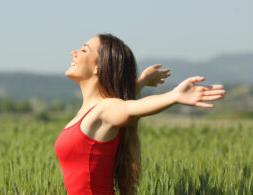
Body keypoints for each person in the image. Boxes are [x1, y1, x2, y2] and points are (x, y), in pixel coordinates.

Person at [54, 33, 225, 195]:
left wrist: (173, 96)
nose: (73, 52)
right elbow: (121, 99)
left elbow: (129, 108)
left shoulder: (104, 110)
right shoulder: (91, 111)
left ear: (99, 67)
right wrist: (141, 82)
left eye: (84, 50)